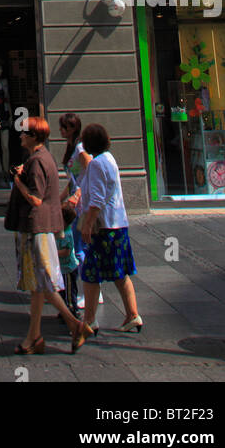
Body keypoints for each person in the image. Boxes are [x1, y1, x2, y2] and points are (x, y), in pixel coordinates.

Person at [6, 116, 94, 355]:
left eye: (25, 133)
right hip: (44, 226)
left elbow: (36, 198)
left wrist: (18, 181)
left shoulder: (37, 161)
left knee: (43, 282)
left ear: (34, 136)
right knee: (38, 284)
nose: (21, 136)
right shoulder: (43, 157)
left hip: (38, 227)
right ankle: (34, 338)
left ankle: (76, 325)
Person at [77, 122, 143, 335]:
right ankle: (132, 315)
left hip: (104, 228)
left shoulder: (96, 164)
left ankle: (89, 321)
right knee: (120, 272)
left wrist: (87, 224)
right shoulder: (110, 159)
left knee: (90, 273)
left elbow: (97, 199)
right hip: (118, 225)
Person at [58, 111, 95, 310]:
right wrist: (61, 198)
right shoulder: (72, 147)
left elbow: (89, 173)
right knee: (75, 246)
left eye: (64, 127)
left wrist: (77, 195)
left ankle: (90, 291)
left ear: (72, 128)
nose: (60, 130)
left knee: (79, 248)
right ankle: (81, 289)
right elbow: (73, 180)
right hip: (74, 204)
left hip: (80, 205)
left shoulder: (80, 148)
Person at [57, 200, 81, 318]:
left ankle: (73, 311)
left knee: (69, 292)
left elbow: (66, 252)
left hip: (68, 269)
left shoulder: (67, 234)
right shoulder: (61, 231)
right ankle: (65, 310)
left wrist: (54, 253)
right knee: (62, 291)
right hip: (62, 269)